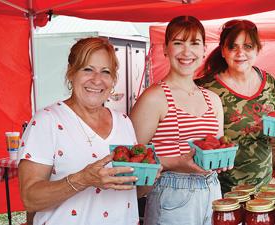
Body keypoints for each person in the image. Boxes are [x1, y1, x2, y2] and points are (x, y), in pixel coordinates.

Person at [19, 37, 145, 225]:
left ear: (113, 80)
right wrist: (82, 179)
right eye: (87, 69)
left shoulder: (124, 122)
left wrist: (149, 177)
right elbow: (30, 198)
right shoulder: (47, 121)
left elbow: (133, 191)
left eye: (105, 72)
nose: (96, 80)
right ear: (71, 73)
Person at [130, 16, 225, 225]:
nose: (186, 52)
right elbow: (131, 160)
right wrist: (175, 163)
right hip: (171, 195)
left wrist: (221, 162)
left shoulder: (213, 100)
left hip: (212, 191)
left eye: (194, 43)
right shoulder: (154, 98)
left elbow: (217, 149)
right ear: (165, 49)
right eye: (178, 43)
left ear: (203, 49)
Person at [197, 19, 275, 193]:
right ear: (223, 50)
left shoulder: (270, 83)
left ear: (257, 49)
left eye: (248, 46)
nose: (240, 53)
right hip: (219, 191)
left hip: (264, 190)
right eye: (233, 47)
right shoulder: (205, 87)